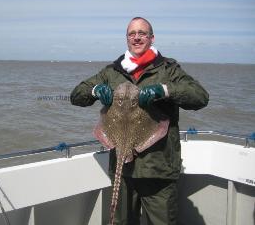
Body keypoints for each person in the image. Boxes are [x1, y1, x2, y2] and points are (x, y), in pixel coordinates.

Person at [70, 17, 209, 225]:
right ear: (126, 39)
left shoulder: (168, 69)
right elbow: (76, 95)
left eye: (142, 33)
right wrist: (95, 90)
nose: (136, 37)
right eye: (131, 34)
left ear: (151, 38)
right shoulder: (112, 72)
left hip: (158, 170)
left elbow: (200, 96)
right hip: (122, 170)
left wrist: (164, 90)